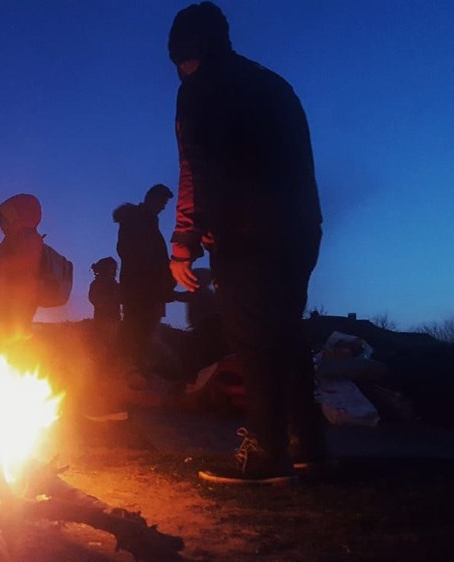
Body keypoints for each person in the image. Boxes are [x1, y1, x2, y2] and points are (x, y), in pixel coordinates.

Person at [167, 2, 325, 484]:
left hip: (245, 234)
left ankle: (266, 451)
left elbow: (196, 168)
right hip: (300, 230)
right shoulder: (274, 85)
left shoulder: (200, 89)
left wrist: (184, 240)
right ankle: (308, 446)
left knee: (253, 339)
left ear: (185, 51)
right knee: (285, 332)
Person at [112, 184, 176, 375]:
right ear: (151, 198)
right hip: (141, 290)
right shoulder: (136, 220)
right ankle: (126, 372)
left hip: (147, 289)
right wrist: (157, 275)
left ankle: (128, 372)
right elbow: (128, 251)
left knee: (140, 332)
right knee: (137, 332)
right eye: (162, 202)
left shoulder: (147, 221)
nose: (163, 207)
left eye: (165, 203)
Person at [0, 194, 43, 350]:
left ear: (16, 218)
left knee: (12, 341)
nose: (0, 225)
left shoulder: (29, 239)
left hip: (16, 303)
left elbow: (23, 264)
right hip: (4, 301)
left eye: (3, 221)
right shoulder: (12, 239)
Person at [88, 257, 121, 363]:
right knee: (103, 348)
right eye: (112, 269)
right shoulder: (98, 284)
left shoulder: (113, 284)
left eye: (114, 269)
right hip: (103, 320)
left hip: (112, 320)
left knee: (109, 348)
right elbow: (94, 299)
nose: (114, 271)